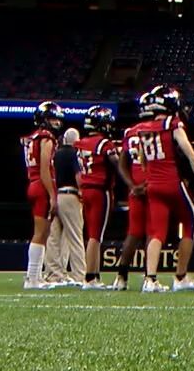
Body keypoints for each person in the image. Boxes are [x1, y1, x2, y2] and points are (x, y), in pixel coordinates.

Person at [135, 85, 194, 292]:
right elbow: (191, 154)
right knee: (189, 223)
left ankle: (150, 279)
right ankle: (180, 276)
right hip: (171, 182)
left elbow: (141, 160)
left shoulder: (143, 128)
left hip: (153, 185)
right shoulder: (173, 123)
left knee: (157, 232)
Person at [111, 92, 152, 291]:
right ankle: (149, 278)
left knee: (134, 233)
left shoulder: (130, 132)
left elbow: (122, 164)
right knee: (153, 233)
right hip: (153, 182)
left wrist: (131, 185)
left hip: (136, 185)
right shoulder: (156, 129)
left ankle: (121, 276)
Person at [75, 105, 120, 290]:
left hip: (85, 189)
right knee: (96, 235)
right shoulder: (104, 144)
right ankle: (91, 277)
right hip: (100, 190)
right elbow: (117, 163)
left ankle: (94, 275)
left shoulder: (81, 143)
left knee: (91, 234)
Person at [20, 101, 61, 291]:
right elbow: (45, 168)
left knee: (43, 233)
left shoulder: (32, 138)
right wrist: (53, 195)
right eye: (52, 118)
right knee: (40, 233)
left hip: (33, 184)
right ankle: (32, 277)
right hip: (41, 185)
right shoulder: (46, 138)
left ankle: (35, 276)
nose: (56, 122)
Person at [45, 127, 86, 287]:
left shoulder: (57, 153)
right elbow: (78, 176)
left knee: (54, 237)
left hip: (58, 195)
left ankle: (54, 274)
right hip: (71, 195)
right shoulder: (73, 154)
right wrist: (82, 191)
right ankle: (79, 275)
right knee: (75, 237)